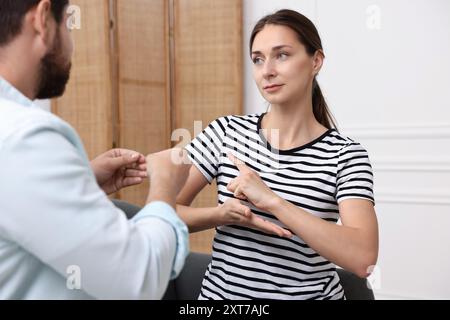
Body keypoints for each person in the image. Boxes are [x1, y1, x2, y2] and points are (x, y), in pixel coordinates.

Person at [177, 9, 379, 300]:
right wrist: (221, 215)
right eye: (258, 59)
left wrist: (272, 201)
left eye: (281, 55)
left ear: (316, 61)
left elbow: (363, 258)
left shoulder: (345, 156)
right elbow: (163, 211)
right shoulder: (226, 132)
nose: (266, 70)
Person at [0, 0, 190, 299]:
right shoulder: (25, 137)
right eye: (68, 25)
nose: (72, 46)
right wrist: (165, 186)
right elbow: (138, 278)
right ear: (42, 20)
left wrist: (81, 180)